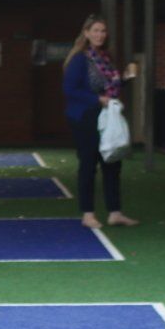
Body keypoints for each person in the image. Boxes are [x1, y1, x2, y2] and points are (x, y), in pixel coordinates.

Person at [62, 14, 140, 230]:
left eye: (103, 31)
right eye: (95, 30)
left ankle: (115, 213)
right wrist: (97, 99)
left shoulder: (105, 58)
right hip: (85, 116)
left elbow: (109, 87)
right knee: (89, 163)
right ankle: (88, 214)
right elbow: (69, 89)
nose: (100, 35)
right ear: (86, 33)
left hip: (106, 115)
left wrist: (124, 78)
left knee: (112, 161)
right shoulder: (79, 59)